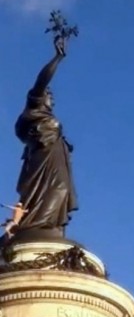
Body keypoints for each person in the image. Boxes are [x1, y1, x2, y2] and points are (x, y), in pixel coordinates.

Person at [13, 37, 78, 239]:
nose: (52, 99)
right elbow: (41, 81)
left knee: (62, 190)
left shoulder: (48, 119)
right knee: (53, 190)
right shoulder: (34, 108)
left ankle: (50, 227)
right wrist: (57, 58)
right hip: (42, 161)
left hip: (56, 163)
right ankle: (36, 225)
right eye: (50, 95)